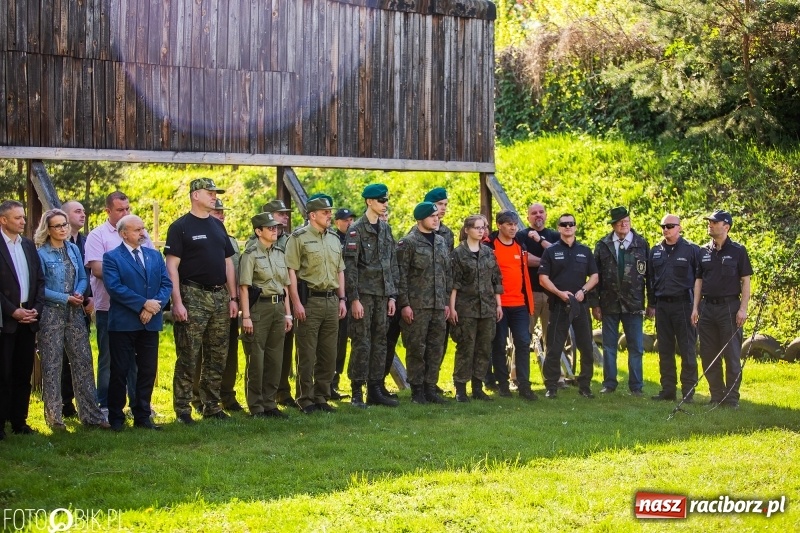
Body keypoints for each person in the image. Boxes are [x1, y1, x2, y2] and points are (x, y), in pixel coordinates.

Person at [165, 178, 238, 424]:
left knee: (217, 354)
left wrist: (233, 297)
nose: (214, 196)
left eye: (215, 192)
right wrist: (177, 301)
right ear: (195, 195)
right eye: (210, 192)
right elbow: (171, 266)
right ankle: (183, 409)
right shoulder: (180, 227)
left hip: (219, 296)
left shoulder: (218, 226)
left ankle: (212, 405)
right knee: (188, 354)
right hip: (192, 295)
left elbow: (228, 262)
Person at [34, 209, 109, 431]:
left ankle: (91, 416)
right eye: (58, 226)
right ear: (48, 229)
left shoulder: (74, 248)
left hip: (75, 312)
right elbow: (40, 288)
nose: (63, 229)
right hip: (51, 313)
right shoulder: (41, 253)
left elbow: (83, 277)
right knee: (53, 364)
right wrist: (64, 298)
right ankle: (55, 418)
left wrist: (78, 292)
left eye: (65, 224)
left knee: (83, 361)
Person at [85, 191, 155, 414]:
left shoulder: (141, 233)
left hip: (143, 307)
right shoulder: (98, 236)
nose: (125, 212)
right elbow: (97, 269)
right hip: (110, 307)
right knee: (109, 357)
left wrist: (145, 301)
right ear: (108, 211)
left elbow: (153, 266)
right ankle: (105, 405)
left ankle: (139, 405)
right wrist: (132, 277)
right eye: (120, 210)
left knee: (139, 361)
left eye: (127, 208)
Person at [103, 215, 172, 431]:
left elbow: (166, 283)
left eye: (143, 229)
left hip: (150, 323)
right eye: (137, 230)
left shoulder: (154, 255)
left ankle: (143, 417)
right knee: (120, 370)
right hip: (124, 323)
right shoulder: (112, 257)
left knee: (147, 370)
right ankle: (116, 418)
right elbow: (115, 288)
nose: (142, 233)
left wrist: (153, 307)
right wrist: (143, 304)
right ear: (124, 233)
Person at [285, 195, 347, 414]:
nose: (330, 215)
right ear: (312, 215)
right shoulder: (298, 238)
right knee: (307, 353)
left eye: (330, 212)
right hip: (309, 300)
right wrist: (296, 303)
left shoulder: (333, 238)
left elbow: (340, 270)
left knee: (329, 353)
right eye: (325, 212)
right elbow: (290, 272)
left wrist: (342, 299)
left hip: (332, 301)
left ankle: (321, 396)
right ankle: (305, 399)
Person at [343, 184, 399, 408]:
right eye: (380, 201)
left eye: (386, 200)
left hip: (383, 295)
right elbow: (350, 266)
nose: (385, 204)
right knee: (362, 343)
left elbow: (391, 263)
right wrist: (354, 298)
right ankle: (357, 390)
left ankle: (375, 388)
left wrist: (392, 296)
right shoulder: (356, 230)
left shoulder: (386, 230)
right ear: (369, 202)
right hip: (364, 295)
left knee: (380, 343)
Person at [691, 210, 752, 409]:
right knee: (708, 354)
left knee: (732, 355)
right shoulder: (703, 251)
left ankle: (732, 399)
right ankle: (716, 396)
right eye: (709, 222)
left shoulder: (738, 250)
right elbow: (698, 281)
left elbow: (745, 282)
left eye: (714, 222)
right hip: (707, 308)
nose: (710, 224)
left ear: (726, 226)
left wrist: (743, 309)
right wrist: (695, 308)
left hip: (729, 307)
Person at [591, 206, 652, 397]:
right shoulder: (603, 245)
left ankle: (636, 386)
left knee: (636, 347)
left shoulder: (641, 243)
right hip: (609, 303)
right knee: (609, 346)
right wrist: (595, 304)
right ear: (614, 225)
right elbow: (595, 277)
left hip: (634, 304)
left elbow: (650, 276)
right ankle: (609, 383)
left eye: (626, 221)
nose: (624, 224)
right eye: (620, 222)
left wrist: (652, 303)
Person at [396, 201, 452, 404]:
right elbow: (400, 275)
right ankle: (417, 391)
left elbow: (446, 274)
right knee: (416, 349)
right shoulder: (408, 243)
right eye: (432, 216)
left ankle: (431, 388)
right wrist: (405, 304)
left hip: (438, 306)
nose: (436, 219)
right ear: (421, 219)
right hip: (417, 306)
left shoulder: (440, 242)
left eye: (437, 216)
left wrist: (446, 302)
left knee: (435, 348)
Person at [539, 213, 599, 399]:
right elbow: (543, 278)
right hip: (559, 304)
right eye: (564, 224)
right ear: (558, 228)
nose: (568, 227)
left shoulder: (585, 250)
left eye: (571, 224)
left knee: (586, 347)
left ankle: (585, 385)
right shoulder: (550, 251)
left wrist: (584, 291)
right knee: (554, 347)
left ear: (575, 227)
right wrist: (558, 293)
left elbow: (595, 276)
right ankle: (551, 386)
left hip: (580, 304)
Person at [191, 199, 243, 414]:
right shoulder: (194, 235)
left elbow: (237, 270)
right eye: (217, 211)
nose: (221, 215)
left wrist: (236, 298)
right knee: (201, 350)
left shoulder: (229, 240)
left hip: (228, 300)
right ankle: (197, 396)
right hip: (202, 299)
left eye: (223, 212)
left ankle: (227, 394)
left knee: (227, 350)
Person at [239, 212, 293, 419]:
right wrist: (246, 317)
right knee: (257, 359)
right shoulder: (250, 254)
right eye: (270, 228)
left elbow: (285, 286)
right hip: (259, 309)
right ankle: (256, 406)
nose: (274, 230)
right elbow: (244, 287)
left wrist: (288, 315)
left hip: (278, 308)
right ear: (258, 231)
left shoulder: (280, 253)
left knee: (275, 358)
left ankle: (270, 403)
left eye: (276, 228)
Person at [0, 201, 46, 438]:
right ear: (3, 220)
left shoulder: (28, 245)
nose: (23, 221)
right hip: (5, 320)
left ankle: (20, 421)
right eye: (17, 218)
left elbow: (39, 280)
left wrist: (35, 308)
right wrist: (12, 311)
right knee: (3, 373)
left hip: (29, 318)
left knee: (22, 373)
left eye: (23, 217)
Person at [449, 215, 503, 402]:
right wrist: (452, 308)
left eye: (484, 227)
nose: (481, 231)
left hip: (487, 308)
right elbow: (453, 284)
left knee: (484, 347)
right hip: (466, 308)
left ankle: (478, 387)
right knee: (466, 347)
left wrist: (498, 304)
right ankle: (460, 388)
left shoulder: (488, 253)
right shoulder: (458, 254)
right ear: (467, 230)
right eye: (477, 227)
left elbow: (496, 279)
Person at [649, 214, 700, 402]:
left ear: (679, 227)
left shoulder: (691, 250)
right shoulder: (655, 251)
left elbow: (699, 281)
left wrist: (696, 307)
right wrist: (651, 304)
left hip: (683, 305)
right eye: (663, 226)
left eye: (670, 226)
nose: (666, 229)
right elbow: (650, 280)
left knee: (687, 349)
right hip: (662, 306)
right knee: (665, 350)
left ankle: (688, 392)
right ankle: (668, 390)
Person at [486, 211, 536, 400]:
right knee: (498, 344)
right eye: (509, 224)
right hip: (499, 305)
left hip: (519, 304)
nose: (513, 227)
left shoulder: (520, 247)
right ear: (499, 225)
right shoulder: (491, 247)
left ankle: (524, 385)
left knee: (523, 342)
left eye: (515, 224)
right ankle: (503, 384)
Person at [259, 200, 297, 407]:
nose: (286, 217)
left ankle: (283, 391)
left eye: (286, 213)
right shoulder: (256, 243)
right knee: (262, 352)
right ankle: (262, 396)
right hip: (264, 303)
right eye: (280, 214)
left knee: (284, 350)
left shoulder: (290, 240)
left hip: (287, 300)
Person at [59, 200, 94, 418]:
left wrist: (88, 297)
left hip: (83, 306)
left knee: (81, 357)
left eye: (84, 211)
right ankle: (64, 402)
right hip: (59, 305)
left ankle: (83, 403)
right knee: (61, 358)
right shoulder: (54, 243)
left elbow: (86, 273)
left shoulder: (85, 241)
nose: (83, 214)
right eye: (77, 211)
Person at [517, 203, 560, 351]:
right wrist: (549, 261)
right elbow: (524, 259)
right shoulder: (521, 236)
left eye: (541, 212)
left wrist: (541, 243)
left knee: (552, 338)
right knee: (523, 336)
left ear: (546, 215)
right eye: (534, 213)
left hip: (551, 293)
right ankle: (517, 372)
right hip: (529, 294)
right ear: (528, 217)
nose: (538, 215)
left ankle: (553, 373)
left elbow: (561, 257)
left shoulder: (555, 236)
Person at [332, 207, 355, 400]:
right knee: (333, 341)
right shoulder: (332, 239)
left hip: (350, 296)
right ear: (337, 221)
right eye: (346, 220)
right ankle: (327, 383)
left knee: (343, 343)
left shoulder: (354, 239)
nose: (349, 223)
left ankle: (336, 381)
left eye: (351, 220)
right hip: (334, 295)